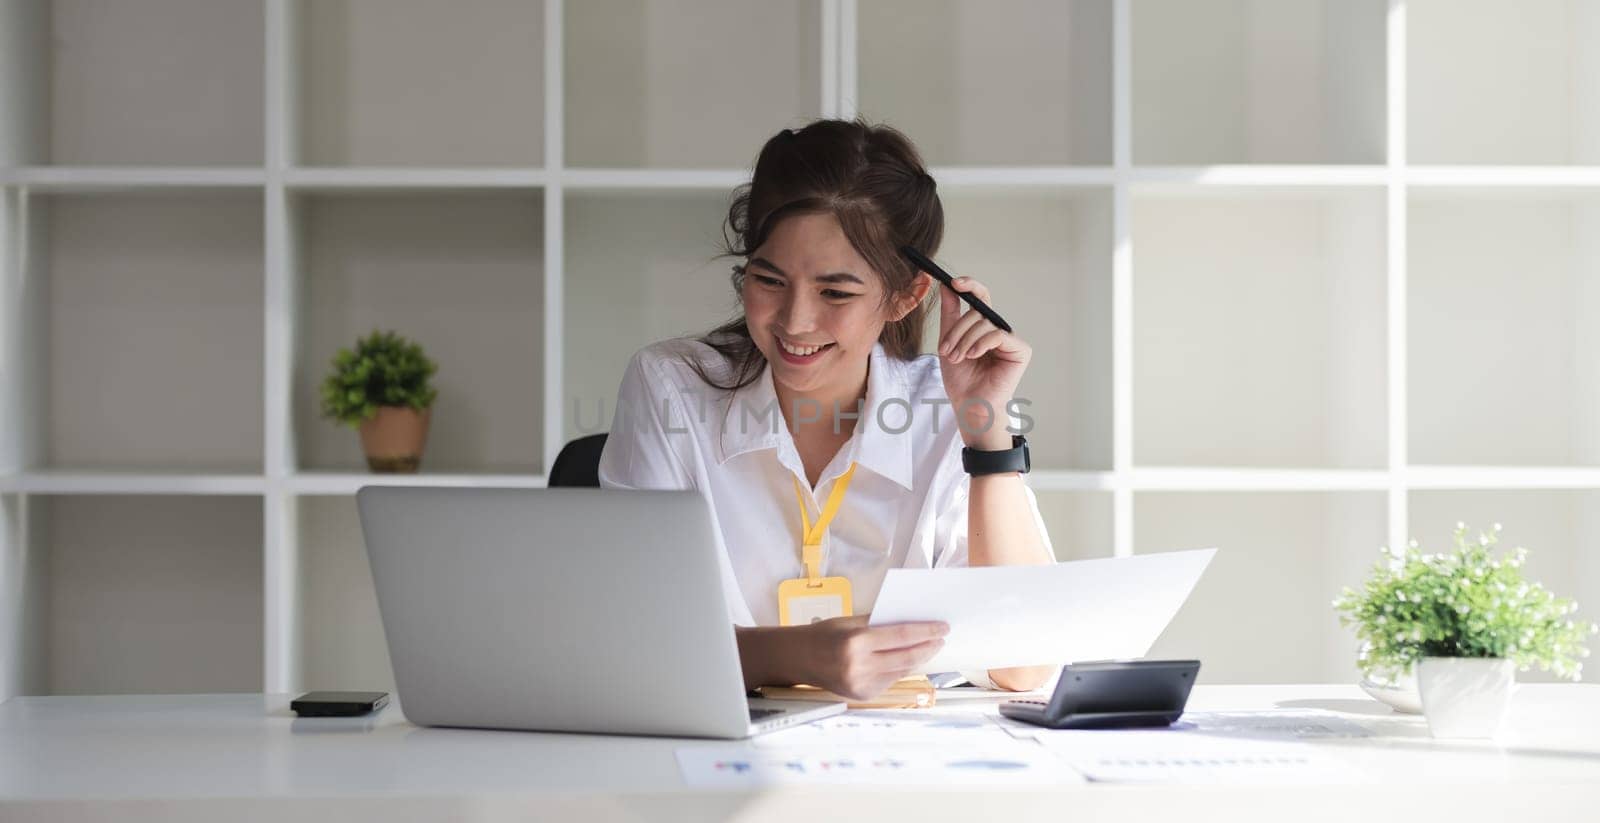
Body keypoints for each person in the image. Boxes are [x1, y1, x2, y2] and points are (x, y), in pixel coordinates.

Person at [597, 117, 1055, 700]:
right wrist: (795, 655)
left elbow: (1026, 665)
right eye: (769, 280)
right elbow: (638, 643)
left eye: (835, 292)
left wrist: (985, 427)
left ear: (906, 295)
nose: (796, 321)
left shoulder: (944, 405)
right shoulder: (672, 387)